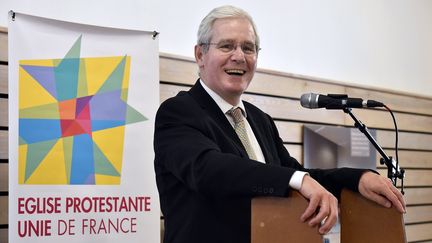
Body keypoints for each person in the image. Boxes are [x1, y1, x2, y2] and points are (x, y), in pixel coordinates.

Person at [154, 5, 405, 243]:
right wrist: (298, 179)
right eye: (227, 46)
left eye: (248, 48)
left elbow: (294, 175)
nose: (239, 56)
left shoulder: (260, 120)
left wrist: (357, 178)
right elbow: (208, 170)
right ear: (200, 54)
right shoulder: (177, 112)